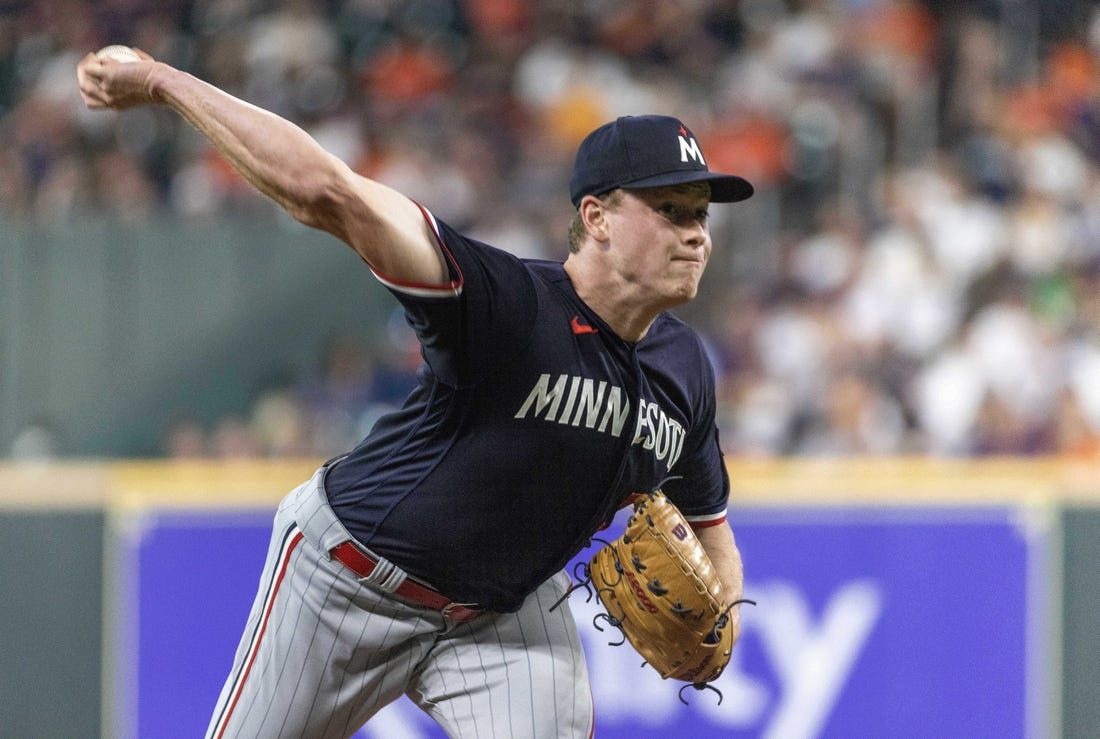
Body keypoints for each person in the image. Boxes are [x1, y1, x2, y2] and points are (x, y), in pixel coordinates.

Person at [77, 47, 752, 739]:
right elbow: (327, 192)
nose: (697, 233)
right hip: (346, 580)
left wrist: (723, 610)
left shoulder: (685, 370)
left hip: (503, 614)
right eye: (671, 208)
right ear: (598, 217)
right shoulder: (507, 305)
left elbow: (712, 524)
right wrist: (164, 81)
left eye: (701, 213)